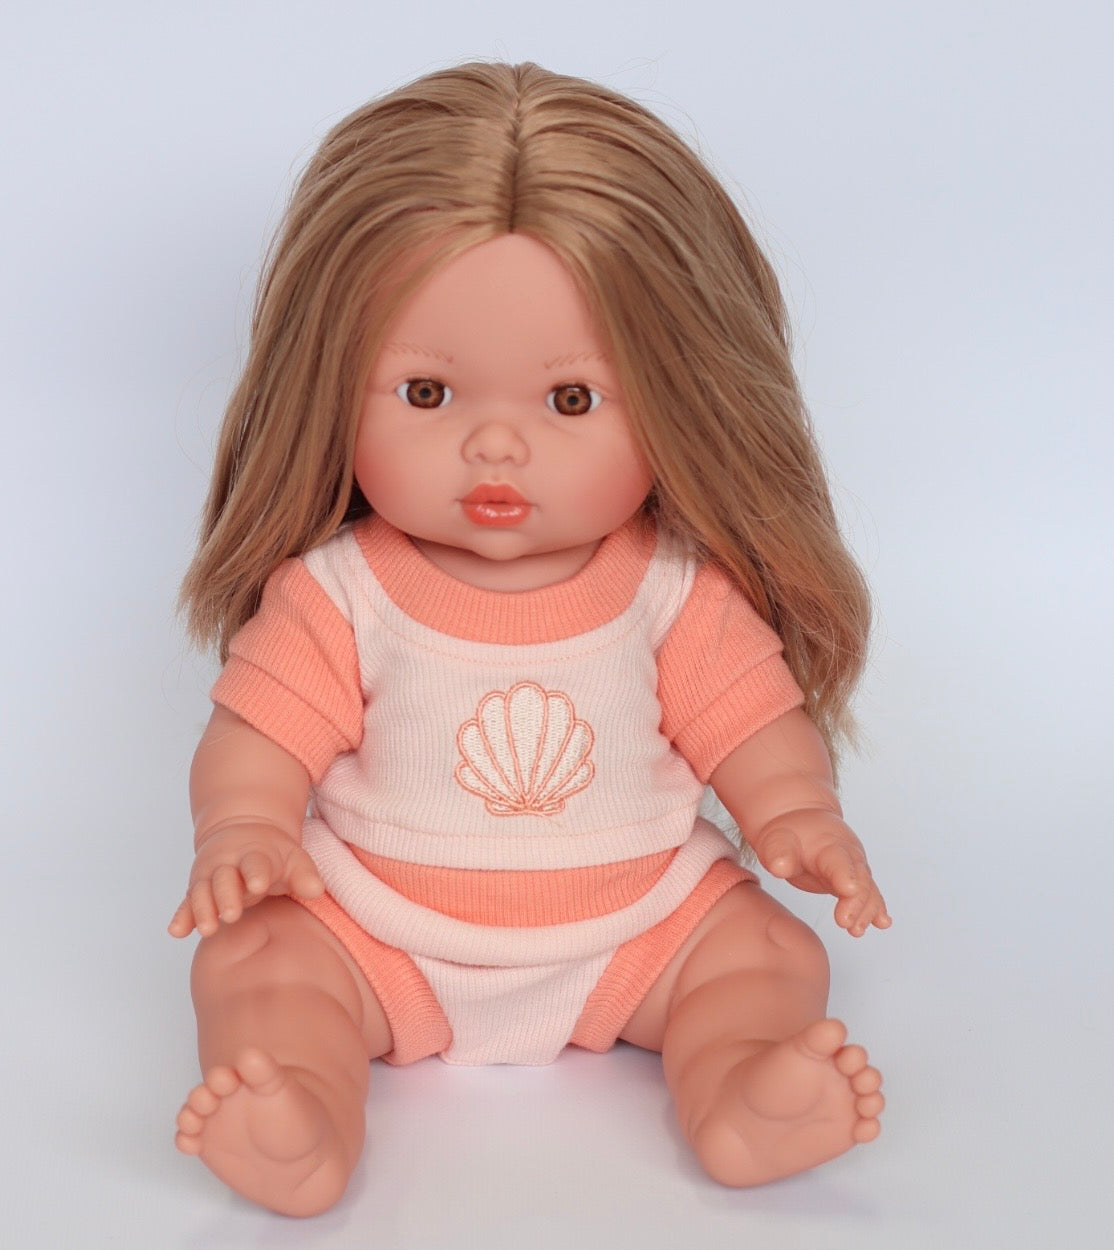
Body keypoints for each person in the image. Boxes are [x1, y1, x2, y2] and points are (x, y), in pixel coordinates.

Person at [169, 61, 890, 1216]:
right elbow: (257, 735)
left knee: (766, 955)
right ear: (328, 389)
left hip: (641, 927)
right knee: (255, 958)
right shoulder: (338, 592)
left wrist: (795, 813)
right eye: (426, 394)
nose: (493, 448)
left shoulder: (670, 588)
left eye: (568, 400)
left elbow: (752, 720)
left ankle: (740, 1088)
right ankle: (301, 1111)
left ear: (680, 404)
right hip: (376, 929)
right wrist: (243, 827)